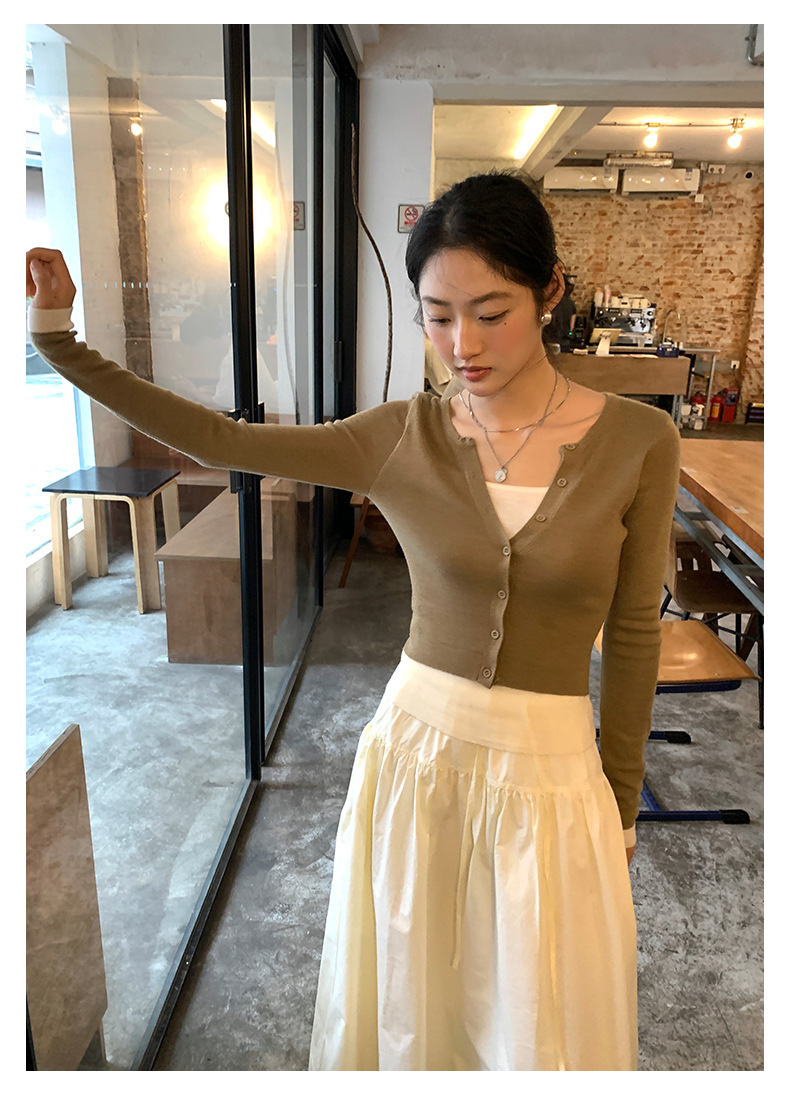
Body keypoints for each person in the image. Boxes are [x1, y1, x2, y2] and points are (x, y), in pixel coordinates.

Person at [26, 170, 680, 1072]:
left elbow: (636, 630)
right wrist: (58, 341)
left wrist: (622, 798)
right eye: (437, 316)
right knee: (411, 1010)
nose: (462, 343)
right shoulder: (400, 434)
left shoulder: (640, 442)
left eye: (491, 312)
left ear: (551, 290)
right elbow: (223, 440)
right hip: (417, 758)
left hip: (553, 773)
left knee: (538, 1019)